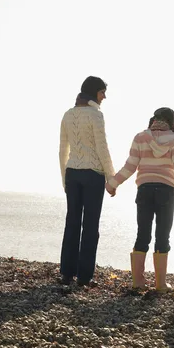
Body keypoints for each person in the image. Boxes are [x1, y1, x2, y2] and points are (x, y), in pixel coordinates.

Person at [106, 108, 174, 293]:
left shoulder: (140, 137)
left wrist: (113, 183)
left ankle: (138, 282)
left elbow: (130, 166)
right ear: (171, 123)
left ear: (153, 119)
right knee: (163, 236)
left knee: (143, 234)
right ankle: (160, 284)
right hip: (166, 191)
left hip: (144, 189)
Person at [59, 76, 115, 287]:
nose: (104, 96)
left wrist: (64, 178)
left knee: (72, 222)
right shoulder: (96, 115)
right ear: (94, 93)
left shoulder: (68, 114)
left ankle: (66, 273)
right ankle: (84, 277)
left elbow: (62, 149)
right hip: (93, 174)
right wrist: (111, 177)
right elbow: (102, 148)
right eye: (102, 92)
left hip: (72, 173)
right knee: (90, 225)